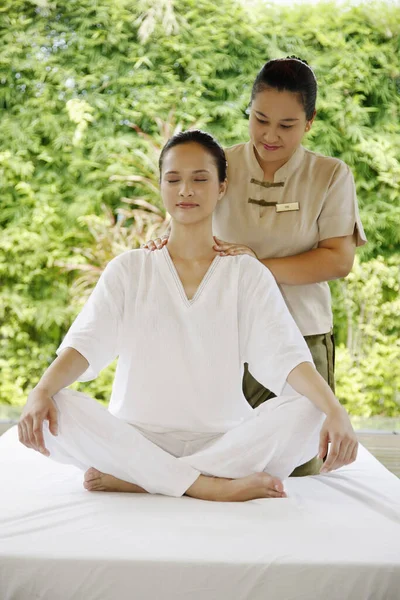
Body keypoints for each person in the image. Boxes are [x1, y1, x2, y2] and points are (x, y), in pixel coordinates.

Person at [18, 130, 357, 502]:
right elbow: (83, 347)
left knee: (312, 409)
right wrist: (40, 392)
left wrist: (335, 411)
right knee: (58, 403)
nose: (185, 191)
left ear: (222, 188)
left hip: (225, 441)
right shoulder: (129, 269)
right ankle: (207, 485)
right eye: (174, 179)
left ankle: (145, 478)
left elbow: (286, 356)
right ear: (160, 185)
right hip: (137, 437)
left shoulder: (246, 272)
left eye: (200, 179)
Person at [143, 56, 367, 412]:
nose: (270, 135)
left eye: (287, 125)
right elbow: (186, 218)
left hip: (300, 337)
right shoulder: (219, 165)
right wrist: (164, 243)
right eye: (260, 119)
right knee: (220, 456)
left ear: (309, 123)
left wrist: (253, 265)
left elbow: (339, 260)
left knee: (297, 462)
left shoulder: (330, 175)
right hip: (221, 335)